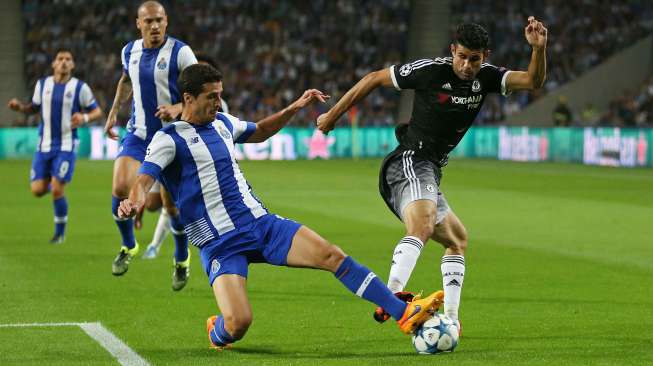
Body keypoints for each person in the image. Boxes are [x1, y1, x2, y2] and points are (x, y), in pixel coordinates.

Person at [117, 64, 444, 349]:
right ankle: (217, 331)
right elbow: (145, 179)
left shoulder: (222, 123)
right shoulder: (168, 139)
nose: (218, 102)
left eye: (220, 95)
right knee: (238, 324)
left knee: (332, 255)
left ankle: (404, 314)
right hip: (221, 244)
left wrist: (296, 106)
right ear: (187, 99)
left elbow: (259, 131)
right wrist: (133, 200)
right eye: (211, 97)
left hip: (262, 226)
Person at [317, 18, 548, 329]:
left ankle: (451, 321)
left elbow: (533, 81)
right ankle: (391, 298)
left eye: (475, 59)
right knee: (422, 226)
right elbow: (373, 78)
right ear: (453, 50)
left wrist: (539, 49)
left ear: (485, 56)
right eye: (462, 56)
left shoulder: (488, 78)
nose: (467, 65)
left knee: (457, 239)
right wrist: (332, 116)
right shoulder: (431, 70)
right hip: (409, 160)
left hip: (431, 169)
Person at [104, 1, 197, 287]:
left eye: (159, 20)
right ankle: (129, 245)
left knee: (169, 208)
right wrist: (113, 113)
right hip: (140, 133)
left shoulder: (181, 52)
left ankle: (182, 259)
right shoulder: (129, 51)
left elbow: (203, 92)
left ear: (166, 21)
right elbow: (126, 81)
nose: (154, 26)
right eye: (149, 21)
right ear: (139, 23)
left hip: (172, 138)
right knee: (120, 187)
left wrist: (178, 107)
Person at [7, 49, 103, 244]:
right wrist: (20, 108)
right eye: (60, 59)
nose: (64, 62)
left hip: (67, 145)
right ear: (53, 64)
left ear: (73, 65)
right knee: (37, 190)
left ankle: (60, 233)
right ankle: (55, 180)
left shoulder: (80, 87)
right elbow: (33, 108)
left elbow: (97, 111)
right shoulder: (42, 85)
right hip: (44, 145)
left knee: (58, 190)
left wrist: (84, 117)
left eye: (68, 59)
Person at [141, 52, 229, 261]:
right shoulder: (181, 97)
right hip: (174, 154)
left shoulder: (218, 107)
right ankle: (177, 249)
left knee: (176, 204)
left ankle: (171, 251)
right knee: (156, 204)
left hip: (201, 165)